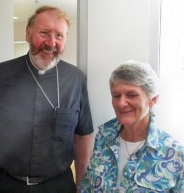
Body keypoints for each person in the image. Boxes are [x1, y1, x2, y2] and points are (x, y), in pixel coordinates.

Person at [0, 5, 94, 193]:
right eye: (44, 33)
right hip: (5, 184)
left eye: (59, 36)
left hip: (58, 186)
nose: (51, 43)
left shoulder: (75, 79)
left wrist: (81, 187)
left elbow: (82, 137)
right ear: (28, 33)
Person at [79, 61, 184, 192]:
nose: (121, 103)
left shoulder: (175, 154)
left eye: (132, 95)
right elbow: (87, 187)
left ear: (153, 99)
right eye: (116, 95)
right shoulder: (103, 137)